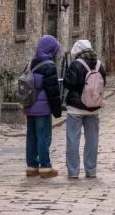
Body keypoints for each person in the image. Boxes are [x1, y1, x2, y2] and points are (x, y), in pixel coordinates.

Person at [63, 38, 106, 179]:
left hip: (75, 108)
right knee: (92, 140)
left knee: (73, 140)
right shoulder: (99, 65)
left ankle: (73, 171)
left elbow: (68, 84)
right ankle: (91, 170)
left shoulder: (76, 64)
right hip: (94, 108)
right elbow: (103, 84)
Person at [23, 35, 63, 178]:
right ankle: (45, 167)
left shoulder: (31, 63)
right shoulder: (49, 66)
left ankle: (31, 166)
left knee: (31, 136)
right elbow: (53, 91)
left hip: (30, 105)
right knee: (43, 137)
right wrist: (57, 110)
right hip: (43, 108)